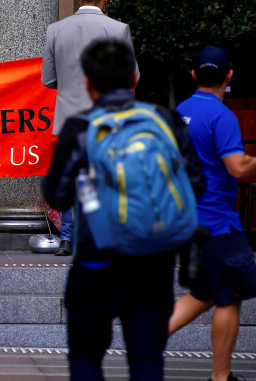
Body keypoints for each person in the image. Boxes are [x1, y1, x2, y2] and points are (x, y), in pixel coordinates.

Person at [42, 39, 205, 380]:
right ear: (135, 77)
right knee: (147, 362)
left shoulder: (81, 128)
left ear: (87, 82)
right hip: (154, 261)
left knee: (86, 359)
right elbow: (196, 183)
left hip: (96, 260)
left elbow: (56, 194)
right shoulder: (166, 119)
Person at [169, 47, 256, 381]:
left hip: (189, 222)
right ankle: (221, 378)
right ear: (229, 76)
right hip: (220, 224)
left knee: (203, 294)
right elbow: (236, 167)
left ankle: (145, 344)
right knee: (230, 296)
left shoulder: (179, 112)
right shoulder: (222, 116)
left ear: (193, 76)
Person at [41, 0, 139, 256]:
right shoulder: (118, 29)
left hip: (68, 119)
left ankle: (68, 237)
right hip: (107, 118)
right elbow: (132, 76)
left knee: (72, 177)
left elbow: (48, 79)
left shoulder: (55, 30)